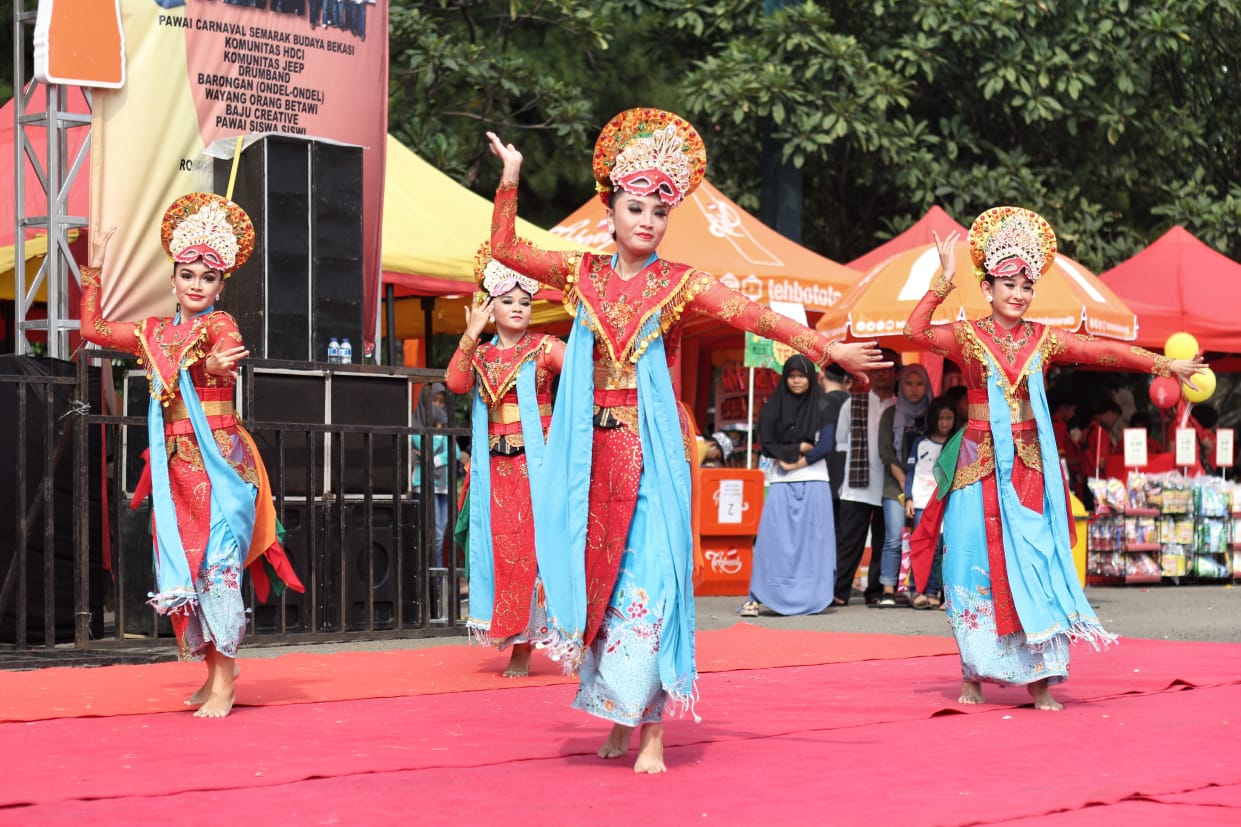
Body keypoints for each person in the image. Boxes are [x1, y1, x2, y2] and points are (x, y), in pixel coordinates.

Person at [486, 108, 888, 773]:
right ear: (610, 211)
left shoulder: (679, 282)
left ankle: (650, 732)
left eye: (658, 211)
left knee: (650, 585)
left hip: (648, 462)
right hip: (591, 463)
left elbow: (752, 312)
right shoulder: (581, 274)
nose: (646, 220)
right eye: (634, 206)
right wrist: (511, 177)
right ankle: (617, 709)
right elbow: (506, 251)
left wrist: (824, 345)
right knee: (603, 590)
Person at [905, 207, 1203, 710]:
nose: (1019, 294)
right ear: (987, 287)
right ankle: (972, 673)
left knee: (1035, 563)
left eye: (1027, 285)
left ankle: (1040, 679)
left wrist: (1162, 363)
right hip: (976, 465)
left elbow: (1102, 351)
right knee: (969, 565)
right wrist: (942, 282)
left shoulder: (1043, 340)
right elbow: (914, 332)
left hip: (1028, 468)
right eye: (1009, 284)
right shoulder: (967, 336)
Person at [78, 192, 304, 718]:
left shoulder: (218, 325)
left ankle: (225, 680)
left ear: (221, 284)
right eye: (188, 274)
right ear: (174, 277)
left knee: (220, 570)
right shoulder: (153, 333)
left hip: (222, 464)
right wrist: (94, 270)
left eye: (208, 276)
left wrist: (220, 366)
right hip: (176, 469)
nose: (197, 284)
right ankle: (212, 672)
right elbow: (91, 331)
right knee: (190, 572)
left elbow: (226, 349)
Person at [445, 249, 564, 677]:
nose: (517, 309)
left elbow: (584, 380)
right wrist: (471, 333)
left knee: (537, 553)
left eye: (525, 302)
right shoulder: (480, 356)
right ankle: (517, 639)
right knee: (506, 554)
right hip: (496, 470)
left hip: (539, 469)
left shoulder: (546, 348)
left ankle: (539, 643)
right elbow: (454, 383)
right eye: (507, 300)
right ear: (490, 306)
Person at [741, 355, 836, 617]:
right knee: (773, 540)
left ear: (810, 377)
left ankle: (814, 596)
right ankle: (759, 596)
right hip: (781, 481)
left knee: (813, 543)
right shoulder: (774, 406)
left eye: (801, 375)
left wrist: (797, 462)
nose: (796, 381)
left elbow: (827, 445)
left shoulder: (823, 404)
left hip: (815, 481)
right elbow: (767, 442)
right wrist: (798, 448)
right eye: (792, 376)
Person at [832, 352, 900, 606]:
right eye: (877, 369)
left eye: (887, 369)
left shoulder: (901, 405)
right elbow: (840, 443)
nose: (881, 373)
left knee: (885, 539)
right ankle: (839, 591)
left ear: (896, 373)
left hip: (890, 485)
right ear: (869, 373)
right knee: (850, 541)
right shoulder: (853, 403)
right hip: (856, 486)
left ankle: (876, 591)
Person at [875, 363, 931, 606]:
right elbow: (886, 453)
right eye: (909, 383)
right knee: (893, 538)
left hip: (927, 486)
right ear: (901, 384)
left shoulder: (933, 413)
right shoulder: (891, 413)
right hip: (894, 485)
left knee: (923, 538)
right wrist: (905, 487)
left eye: (919, 384)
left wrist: (915, 488)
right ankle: (888, 590)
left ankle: (919, 589)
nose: (914, 389)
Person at [903, 395, 959, 609]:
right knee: (921, 545)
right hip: (920, 502)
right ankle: (917, 590)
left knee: (940, 548)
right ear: (932, 419)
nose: (944, 423)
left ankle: (933, 590)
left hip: (943, 503)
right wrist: (908, 497)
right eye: (940, 418)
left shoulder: (956, 444)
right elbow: (910, 472)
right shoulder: (920, 443)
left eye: (949, 418)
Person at [412, 383, 452, 567]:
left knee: (441, 533)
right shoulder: (416, 427)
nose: (438, 406)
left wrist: (437, 457)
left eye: (441, 402)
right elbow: (426, 447)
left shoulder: (445, 429)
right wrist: (437, 432)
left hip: (443, 485)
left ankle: (437, 581)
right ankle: (434, 583)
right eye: (434, 401)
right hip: (425, 483)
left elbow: (456, 453)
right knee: (433, 535)